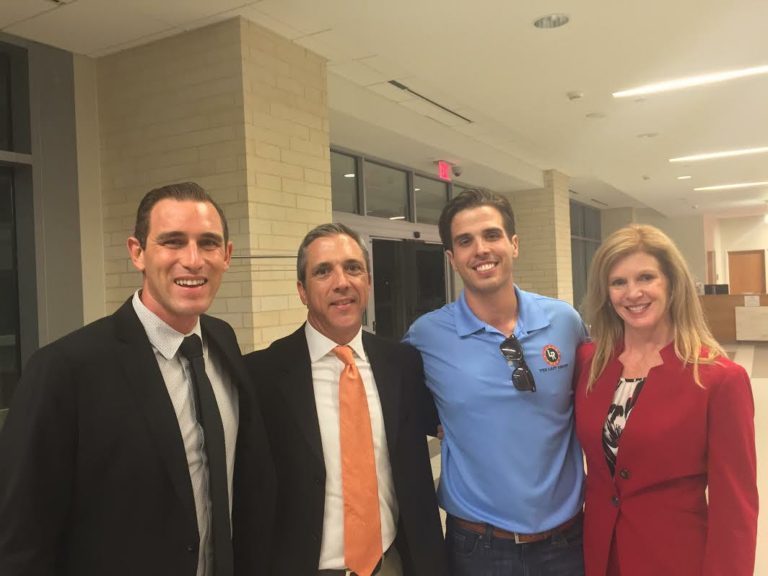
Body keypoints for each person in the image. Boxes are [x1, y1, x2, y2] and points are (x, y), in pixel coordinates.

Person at [0, 182, 276, 576]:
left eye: (208, 243)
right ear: (138, 253)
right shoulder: (65, 370)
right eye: (173, 242)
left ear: (227, 255)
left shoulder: (223, 341)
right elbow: (21, 539)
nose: (193, 260)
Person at [404, 189, 588, 576]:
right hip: (477, 548)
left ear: (514, 244)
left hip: (567, 544)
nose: (481, 250)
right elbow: (393, 396)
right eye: (465, 241)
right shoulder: (428, 335)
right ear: (452, 259)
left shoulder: (564, 322)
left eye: (491, 235)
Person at [245, 223, 445, 576]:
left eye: (353, 268)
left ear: (367, 282)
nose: (341, 282)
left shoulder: (402, 364)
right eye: (323, 271)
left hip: (391, 565)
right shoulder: (261, 376)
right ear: (302, 291)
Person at [574, 224, 758, 576]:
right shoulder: (590, 363)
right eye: (619, 282)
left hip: (675, 558)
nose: (633, 293)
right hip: (599, 554)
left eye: (646, 277)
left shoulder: (718, 379)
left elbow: (735, 508)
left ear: (672, 284)